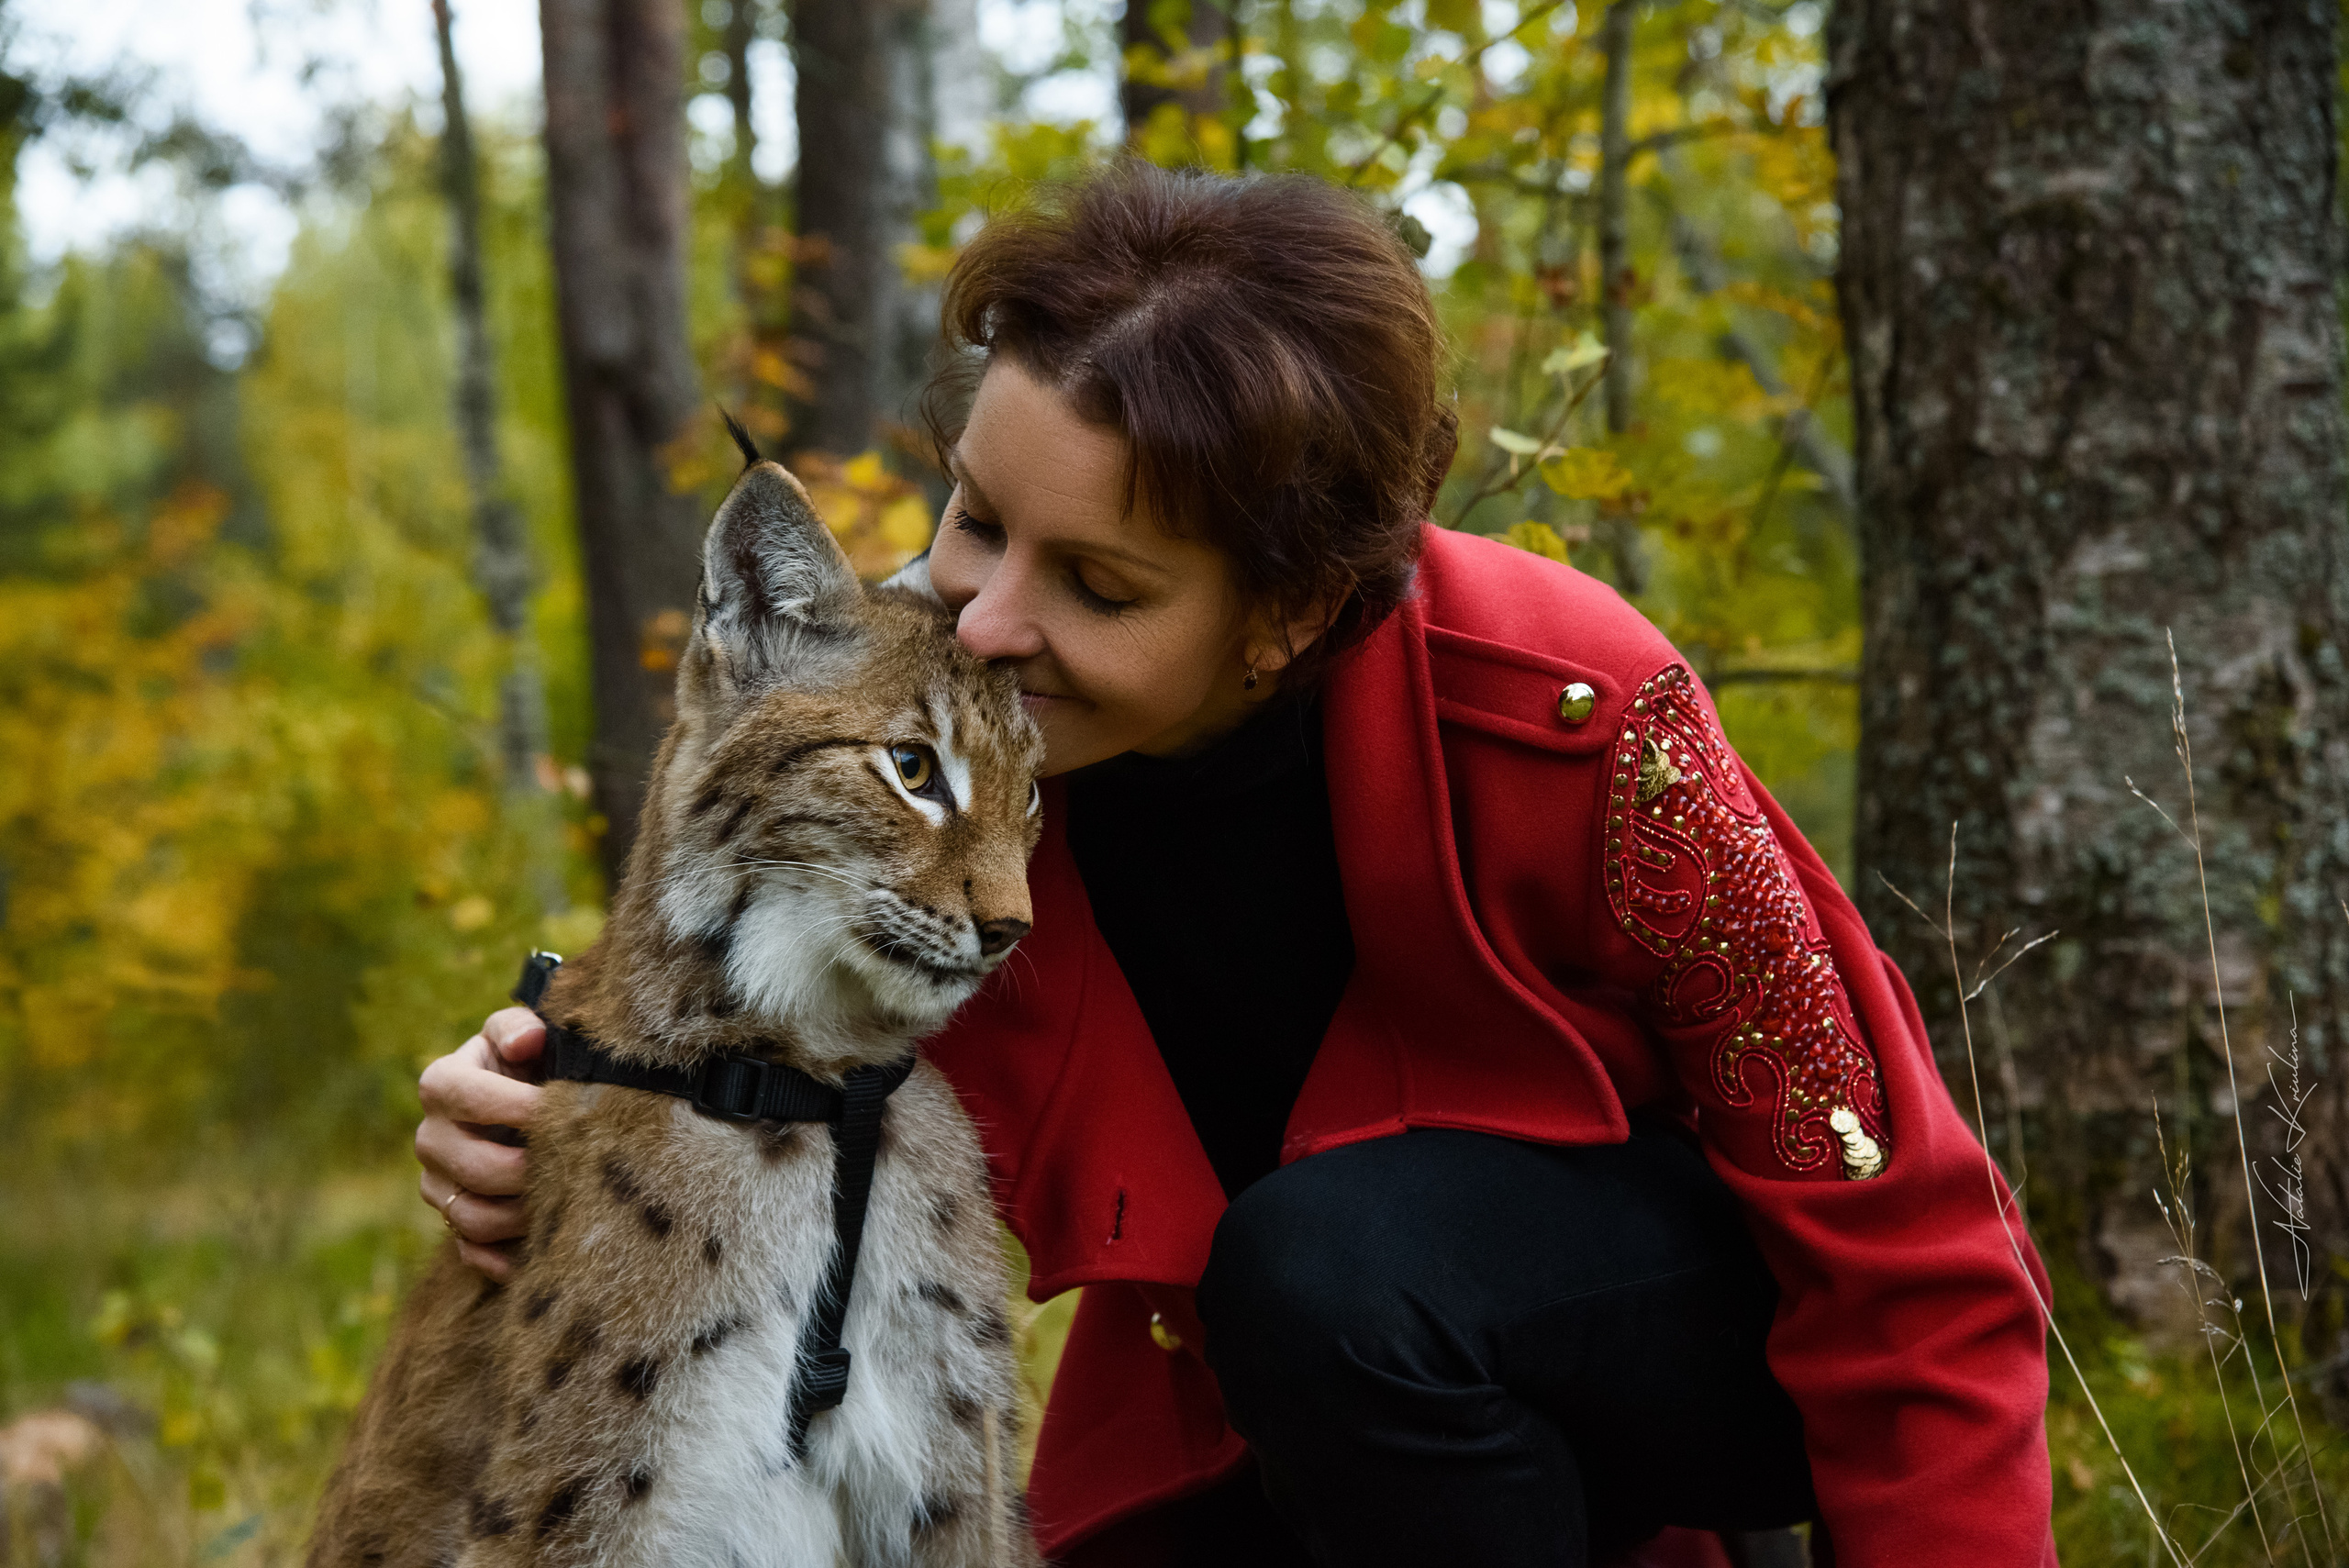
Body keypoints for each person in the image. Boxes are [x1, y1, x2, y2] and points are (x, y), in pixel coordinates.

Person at [414, 163, 2057, 1567]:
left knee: (1334, 1271)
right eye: (976, 516)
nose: (985, 618)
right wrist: (548, 1065)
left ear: (1292, 615)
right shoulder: (982, 758)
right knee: (1309, 1314)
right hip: (1283, 1402)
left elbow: (1909, 1256)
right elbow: (780, 936)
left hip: (1687, 1352)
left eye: (1100, 586)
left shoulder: (1578, 716)